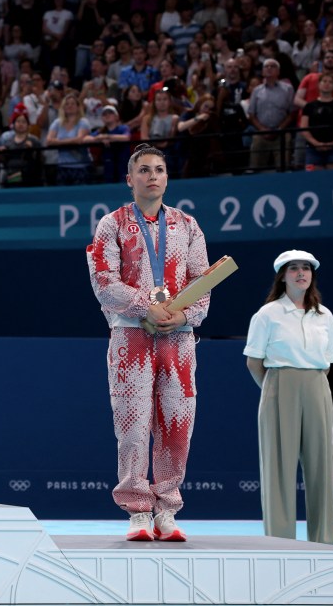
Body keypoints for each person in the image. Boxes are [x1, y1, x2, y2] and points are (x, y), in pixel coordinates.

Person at [86, 144, 210, 543]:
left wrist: (184, 315)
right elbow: (103, 282)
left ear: (167, 178)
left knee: (177, 425)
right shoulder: (112, 225)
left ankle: (167, 508)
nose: (152, 175)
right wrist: (146, 307)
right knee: (133, 426)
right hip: (130, 337)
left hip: (179, 339)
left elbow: (202, 283)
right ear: (130, 179)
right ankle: (139, 511)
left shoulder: (188, 226)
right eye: (143, 170)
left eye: (159, 169)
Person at [244, 250, 333, 546]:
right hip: (279, 383)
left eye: (306, 268)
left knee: (321, 466)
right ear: (282, 276)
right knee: (279, 467)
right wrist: (274, 391)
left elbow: (328, 361)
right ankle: (280, 542)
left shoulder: (324, 315)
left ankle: (324, 540)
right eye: (294, 268)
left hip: (317, 385)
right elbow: (254, 362)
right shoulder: (268, 314)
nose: (301, 273)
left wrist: (310, 387)